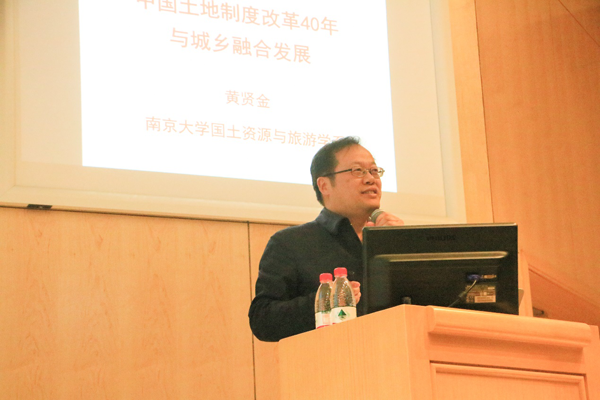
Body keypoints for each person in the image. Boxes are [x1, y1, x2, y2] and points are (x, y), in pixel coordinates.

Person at [248, 136, 403, 342]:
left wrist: (400, 242)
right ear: (324, 186)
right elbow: (264, 320)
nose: (370, 179)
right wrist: (327, 300)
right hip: (329, 357)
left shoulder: (393, 240)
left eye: (374, 170)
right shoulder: (291, 243)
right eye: (358, 171)